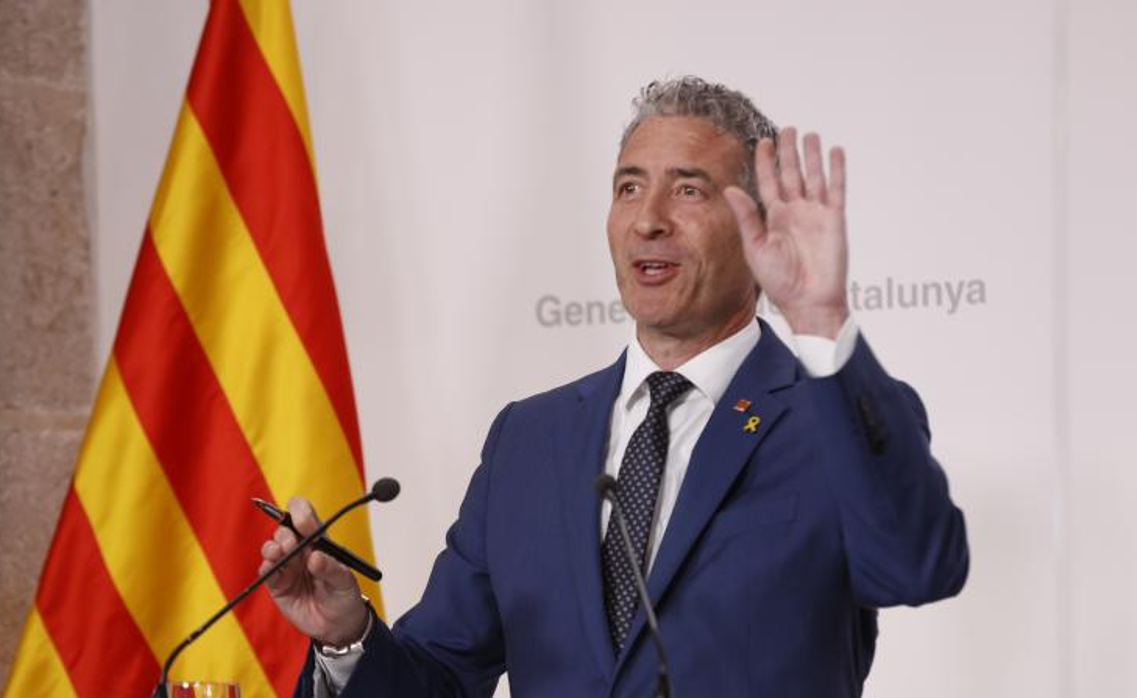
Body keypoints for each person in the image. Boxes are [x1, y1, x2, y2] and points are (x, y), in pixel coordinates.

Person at [259, 76, 969, 697]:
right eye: (629, 187)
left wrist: (821, 320)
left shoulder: (831, 418)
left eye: (688, 188)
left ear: (760, 228)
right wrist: (347, 636)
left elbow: (919, 568)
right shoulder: (529, 440)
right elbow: (443, 676)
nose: (648, 218)